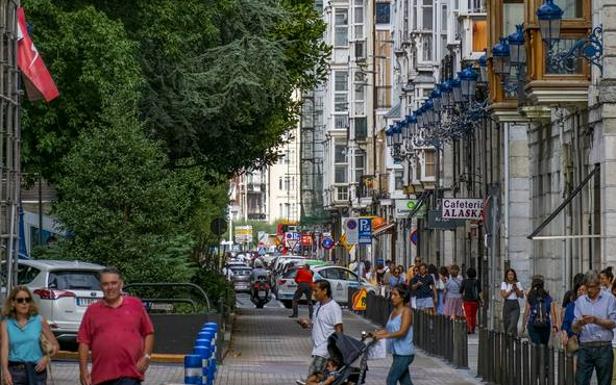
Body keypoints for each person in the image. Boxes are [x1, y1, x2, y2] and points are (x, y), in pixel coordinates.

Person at [78, 267, 155, 385]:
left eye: (114, 283)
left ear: (121, 284)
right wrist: (83, 370)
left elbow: (149, 332)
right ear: (101, 287)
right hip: (101, 376)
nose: (110, 287)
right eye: (105, 284)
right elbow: (83, 341)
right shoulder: (92, 311)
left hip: (130, 374)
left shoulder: (135, 305)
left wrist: (146, 356)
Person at [1, 286, 60, 385]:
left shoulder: (39, 320)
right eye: (20, 300)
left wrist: (46, 358)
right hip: (15, 372)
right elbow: (4, 349)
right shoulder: (6, 324)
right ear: (13, 303)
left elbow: (55, 345)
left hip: (37, 371)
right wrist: (5, 370)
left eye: (27, 300)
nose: (24, 303)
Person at [572, 271, 616, 385]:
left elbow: (613, 323)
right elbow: (574, 328)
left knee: (604, 382)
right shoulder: (580, 301)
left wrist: (596, 320)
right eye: (588, 287)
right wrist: (579, 323)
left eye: (592, 287)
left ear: (598, 285)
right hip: (585, 347)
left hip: (604, 347)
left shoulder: (609, 299)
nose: (590, 290)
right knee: (580, 381)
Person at [297, 280, 343, 382]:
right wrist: (306, 323)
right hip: (317, 347)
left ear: (325, 291)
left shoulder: (334, 308)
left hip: (325, 349)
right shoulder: (318, 305)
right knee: (319, 378)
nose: (313, 294)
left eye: (316, 291)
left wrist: (338, 349)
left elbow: (339, 328)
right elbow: (315, 323)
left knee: (312, 376)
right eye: (313, 291)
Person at [375, 284, 414, 385]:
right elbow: (389, 330)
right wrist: (375, 334)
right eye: (391, 294)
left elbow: (402, 332)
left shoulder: (407, 311)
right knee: (405, 381)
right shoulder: (394, 311)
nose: (392, 297)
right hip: (397, 353)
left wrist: (382, 336)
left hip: (404, 354)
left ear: (402, 297)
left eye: (395, 295)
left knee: (391, 380)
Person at [523, 275, 556, 346]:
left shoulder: (531, 297)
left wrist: (523, 325)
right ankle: (543, 357)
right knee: (544, 347)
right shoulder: (548, 297)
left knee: (536, 346)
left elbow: (526, 312)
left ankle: (537, 357)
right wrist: (554, 326)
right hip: (546, 325)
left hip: (533, 325)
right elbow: (552, 313)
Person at [500, 268, 524, 336]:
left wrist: (516, 289)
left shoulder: (517, 283)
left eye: (512, 274)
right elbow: (504, 295)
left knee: (513, 323)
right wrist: (511, 290)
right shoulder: (504, 283)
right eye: (509, 274)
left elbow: (521, 296)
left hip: (515, 305)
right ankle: (509, 341)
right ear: (506, 275)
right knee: (507, 324)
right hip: (507, 304)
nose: (510, 276)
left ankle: (510, 336)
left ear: (514, 275)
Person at [460, 267, 481, 334]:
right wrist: (481, 300)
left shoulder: (464, 281)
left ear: (467, 274)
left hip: (467, 301)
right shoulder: (477, 281)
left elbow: (460, 291)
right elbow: (479, 291)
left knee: (468, 315)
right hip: (475, 301)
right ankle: (473, 328)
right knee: (474, 315)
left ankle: (469, 328)